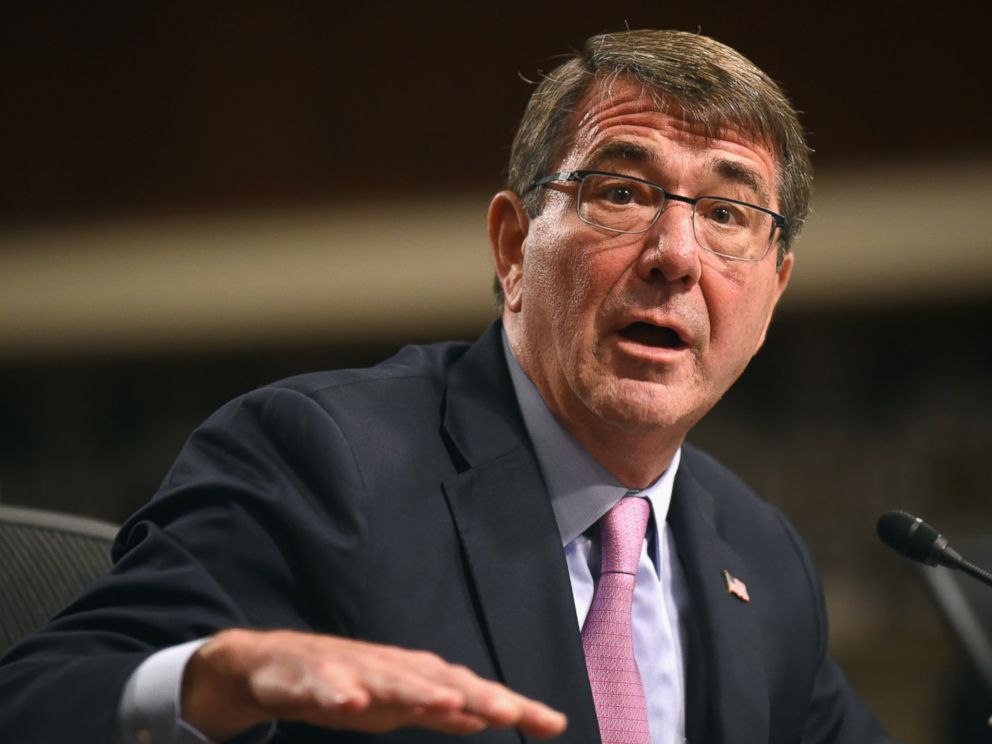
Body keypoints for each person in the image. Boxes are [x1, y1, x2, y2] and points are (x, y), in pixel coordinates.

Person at [0, 29, 897, 744]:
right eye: (621, 191)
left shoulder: (761, 555)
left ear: (773, 292)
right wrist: (210, 681)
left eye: (728, 214)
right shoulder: (325, 462)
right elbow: (40, 701)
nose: (675, 255)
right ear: (513, 249)